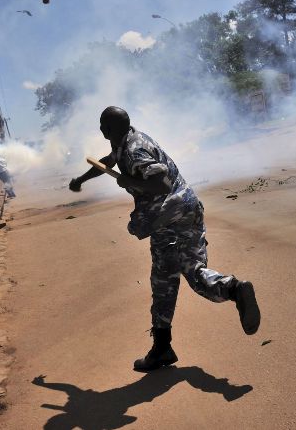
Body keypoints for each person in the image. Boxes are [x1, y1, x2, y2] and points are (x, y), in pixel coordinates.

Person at [69, 106, 260, 372]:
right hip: (189, 209)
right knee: (194, 271)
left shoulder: (135, 151)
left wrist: (128, 181)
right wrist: (82, 179)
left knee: (163, 282)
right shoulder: (128, 139)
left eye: (103, 125)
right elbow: (107, 162)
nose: (101, 129)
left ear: (108, 130)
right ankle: (232, 289)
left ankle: (161, 347)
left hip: (168, 217)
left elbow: (161, 184)